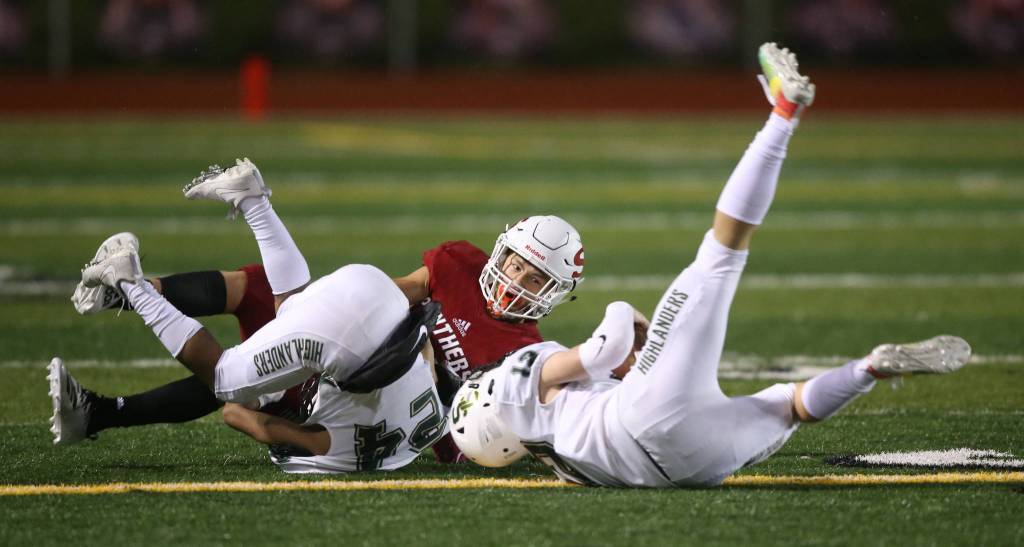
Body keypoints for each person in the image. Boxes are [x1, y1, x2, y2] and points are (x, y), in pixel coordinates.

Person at [447, 43, 973, 486]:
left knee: (789, 405)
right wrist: (624, 312)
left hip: (688, 468)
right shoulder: (507, 381)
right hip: (638, 416)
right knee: (722, 252)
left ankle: (868, 370)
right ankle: (782, 116)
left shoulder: (559, 464)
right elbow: (605, 349)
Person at [52, 160, 584, 462]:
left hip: (374, 388)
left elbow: (478, 429)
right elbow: (402, 291)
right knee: (241, 348)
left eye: (535, 278)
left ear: (554, 293)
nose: (516, 280)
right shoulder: (460, 263)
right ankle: (130, 288)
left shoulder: (524, 352)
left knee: (260, 355)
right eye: (515, 264)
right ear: (502, 251)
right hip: (365, 352)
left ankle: (104, 393)